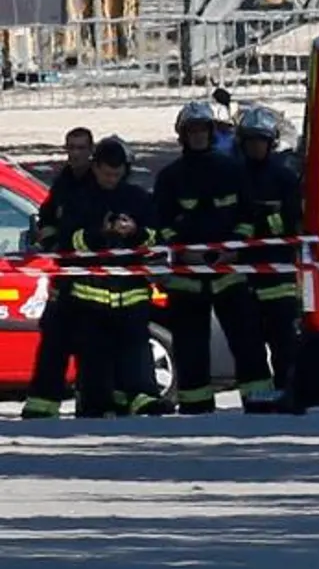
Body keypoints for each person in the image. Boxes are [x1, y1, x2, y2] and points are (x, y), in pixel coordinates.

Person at [154, 101, 274, 414]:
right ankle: (196, 405)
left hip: (229, 271)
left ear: (210, 132)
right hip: (187, 277)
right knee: (190, 346)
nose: (197, 136)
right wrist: (185, 252)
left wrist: (234, 247)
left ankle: (259, 399)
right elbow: (161, 224)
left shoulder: (232, 171)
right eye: (191, 131)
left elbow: (248, 215)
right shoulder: (170, 178)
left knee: (247, 341)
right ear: (182, 135)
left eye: (202, 130)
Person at [55, 137, 170, 418]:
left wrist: (135, 232)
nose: (111, 179)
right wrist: (100, 233)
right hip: (90, 295)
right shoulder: (78, 199)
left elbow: (156, 237)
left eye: (117, 175)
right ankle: (97, 404)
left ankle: (142, 397)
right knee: (95, 360)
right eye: (107, 174)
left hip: (131, 293)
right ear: (96, 168)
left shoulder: (137, 199)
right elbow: (68, 242)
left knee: (136, 352)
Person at [19, 128, 98, 419]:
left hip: (94, 278)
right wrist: (51, 240)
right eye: (71, 148)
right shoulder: (63, 183)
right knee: (53, 340)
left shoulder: (98, 182)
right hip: (65, 277)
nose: (75, 154)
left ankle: (91, 403)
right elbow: (47, 218)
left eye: (81, 148)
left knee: (91, 347)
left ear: (91, 149)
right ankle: (43, 403)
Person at [235, 105, 304, 410]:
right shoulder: (233, 176)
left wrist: (264, 220)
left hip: (279, 275)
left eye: (260, 140)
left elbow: (294, 226)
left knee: (284, 343)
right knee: (248, 345)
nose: (254, 146)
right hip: (243, 276)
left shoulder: (285, 178)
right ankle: (255, 397)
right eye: (249, 140)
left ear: (271, 141)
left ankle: (287, 393)